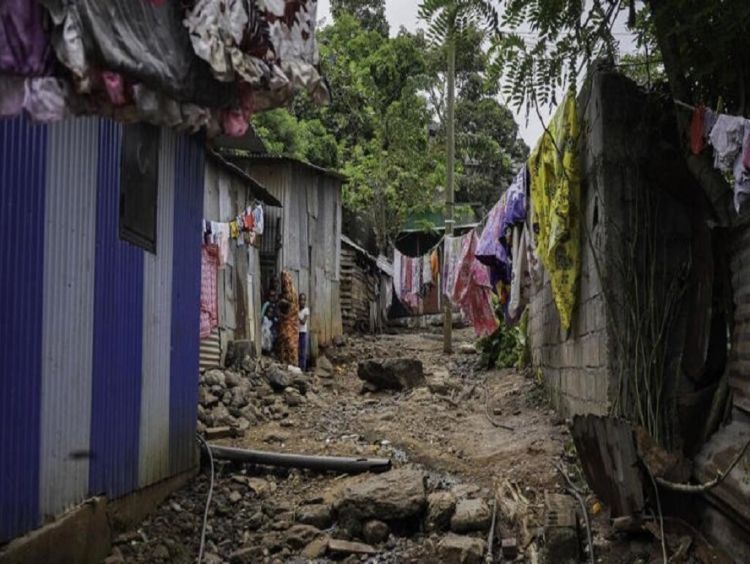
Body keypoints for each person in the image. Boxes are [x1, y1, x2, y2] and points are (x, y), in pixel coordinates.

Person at [277, 272, 299, 366]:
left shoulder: (292, 294)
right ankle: (285, 364)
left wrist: (282, 303)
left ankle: (292, 364)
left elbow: (291, 307)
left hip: (291, 323)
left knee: (290, 344)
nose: (285, 283)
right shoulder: (283, 293)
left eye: (286, 281)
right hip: (285, 323)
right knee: (284, 343)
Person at [298, 293, 310, 371]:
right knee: (297, 351)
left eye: (303, 300)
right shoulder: (297, 309)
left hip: (303, 333)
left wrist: (297, 315)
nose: (302, 301)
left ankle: (303, 369)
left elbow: (303, 322)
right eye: (301, 300)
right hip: (296, 333)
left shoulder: (306, 310)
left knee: (303, 352)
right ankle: (298, 368)